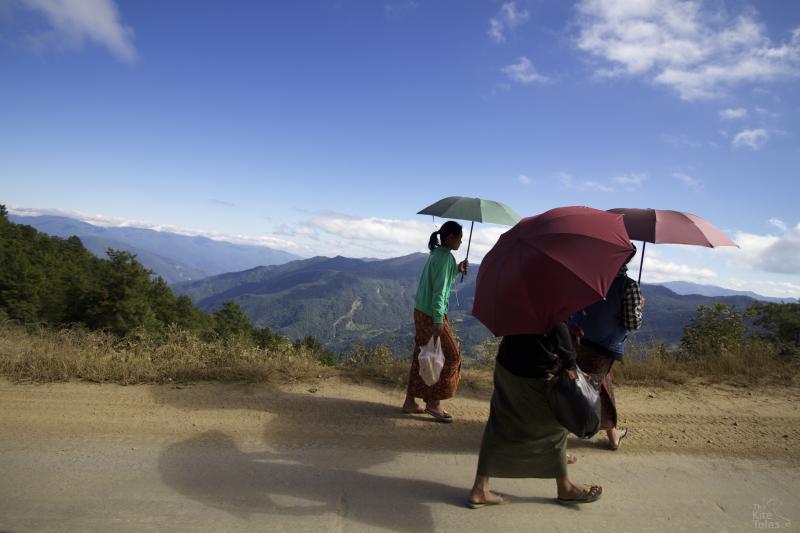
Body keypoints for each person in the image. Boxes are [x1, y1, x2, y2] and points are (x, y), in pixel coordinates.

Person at [467, 322, 602, 507]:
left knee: (499, 423)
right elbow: (556, 326)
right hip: (534, 372)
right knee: (555, 428)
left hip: (507, 364)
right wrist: (570, 363)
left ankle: (480, 488)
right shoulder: (549, 296)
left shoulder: (514, 293)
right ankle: (565, 488)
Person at [570, 244, 645, 450]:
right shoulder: (629, 286)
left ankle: (613, 435)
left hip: (577, 340)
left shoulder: (592, 279)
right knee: (586, 389)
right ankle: (555, 435)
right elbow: (632, 324)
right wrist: (640, 308)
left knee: (596, 384)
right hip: (604, 347)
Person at [402, 221, 468, 423]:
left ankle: (410, 402)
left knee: (422, 354)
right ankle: (433, 403)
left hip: (421, 311)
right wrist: (439, 320)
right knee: (452, 356)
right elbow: (439, 291)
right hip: (432, 315)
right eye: (459, 238)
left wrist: (456, 269)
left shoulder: (437, 254)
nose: (461, 242)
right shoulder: (445, 257)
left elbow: (440, 280)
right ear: (450, 238)